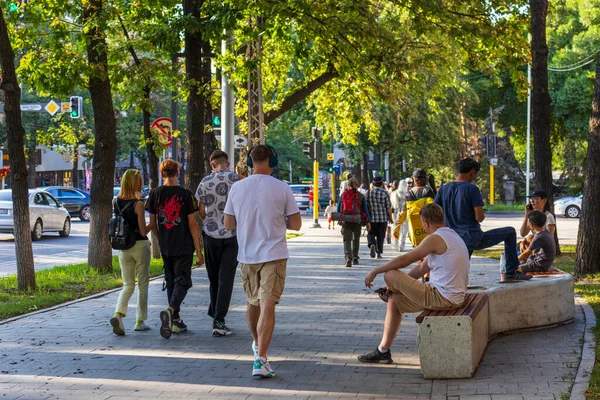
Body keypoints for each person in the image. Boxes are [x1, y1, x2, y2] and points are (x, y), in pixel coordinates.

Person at [224, 144, 302, 379]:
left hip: (247, 255)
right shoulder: (282, 188)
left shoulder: (237, 187)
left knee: (253, 303)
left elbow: (228, 224)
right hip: (274, 255)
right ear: (273, 161)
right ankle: (261, 359)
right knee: (268, 305)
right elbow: (296, 224)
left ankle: (258, 346)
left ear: (249, 162)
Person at [358, 203, 470, 363]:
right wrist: (395, 288)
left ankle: (391, 290)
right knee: (394, 301)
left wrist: (376, 270)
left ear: (425, 223)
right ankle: (383, 350)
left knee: (390, 274)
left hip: (442, 297)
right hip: (450, 296)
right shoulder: (451, 235)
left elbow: (405, 260)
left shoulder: (435, 238)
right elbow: (419, 270)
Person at [435, 158, 531, 281]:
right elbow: (479, 218)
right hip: (472, 237)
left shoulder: (444, 188)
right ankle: (511, 272)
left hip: (453, 238)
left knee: (460, 267)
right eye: (475, 175)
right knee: (510, 232)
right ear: (472, 172)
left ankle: (450, 282)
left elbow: (436, 212)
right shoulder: (471, 189)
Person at [146, 159, 204, 339]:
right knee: (184, 281)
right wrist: (199, 249)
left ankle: (175, 320)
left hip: (166, 246)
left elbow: (153, 224)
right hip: (184, 245)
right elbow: (192, 224)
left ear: (162, 174)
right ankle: (171, 311)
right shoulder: (186, 194)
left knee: (171, 281)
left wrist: (160, 239)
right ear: (177, 174)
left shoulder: (155, 194)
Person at [196, 150, 239, 337]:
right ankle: (219, 319)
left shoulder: (205, 182)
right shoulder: (237, 180)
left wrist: (210, 219)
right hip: (232, 234)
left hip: (210, 235)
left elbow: (201, 211)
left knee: (213, 277)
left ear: (212, 165)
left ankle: (215, 314)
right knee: (226, 278)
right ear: (227, 164)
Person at [110, 169, 154, 335]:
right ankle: (140, 321)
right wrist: (153, 224)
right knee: (143, 285)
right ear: (136, 183)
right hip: (140, 246)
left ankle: (118, 315)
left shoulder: (116, 201)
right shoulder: (139, 204)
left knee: (128, 285)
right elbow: (143, 231)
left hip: (123, 247)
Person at [393, 170, 435, 253]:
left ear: (414, 179)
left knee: (419, 255)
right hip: (428, 229)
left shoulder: (409, 194)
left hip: (415, 232)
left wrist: (396, 231)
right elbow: (434, 209)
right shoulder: (428, 192)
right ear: (425, 179)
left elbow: (402, 214)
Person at [337, 177, 371, 268]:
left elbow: (338, 208)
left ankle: (348, 257)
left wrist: (340, 220)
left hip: (346, 219)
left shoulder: (344, 195)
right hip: (357, 219)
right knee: (356, 239)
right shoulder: (360, 196)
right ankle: (355, 258)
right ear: (357, 185)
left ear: (348, 185)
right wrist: (368, 221)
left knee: (347, 240)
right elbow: (365, 209)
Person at [366, 176, 393, 259]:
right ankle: (378, 253)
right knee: (380, 236)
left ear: (373, 184)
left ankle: (372, 244)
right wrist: (391, 218)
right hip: (383, 218)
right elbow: (388, 207)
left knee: (371, 233)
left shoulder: (369, 192)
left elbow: (365, 205)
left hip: (371, 218)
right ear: (381, 183)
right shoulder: (385, 193)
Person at [391, 179, 409, 252]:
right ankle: (401, 245)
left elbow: (394, 205)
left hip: (397, 213)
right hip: (404, 212)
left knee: (396, 229)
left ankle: (396, 244)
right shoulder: (408, 194)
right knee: (403, 230)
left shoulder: (395, 193)